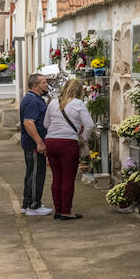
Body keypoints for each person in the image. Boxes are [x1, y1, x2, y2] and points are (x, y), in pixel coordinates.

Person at [43, 77, 95, 220]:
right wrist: (83, 138)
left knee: (56, 178)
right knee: (68, 178)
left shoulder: (53, 102)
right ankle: (66, 211)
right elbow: (90, 125)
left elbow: (46, 124)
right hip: (68, 143)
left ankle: (58, 210)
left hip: (51, 141)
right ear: (79, 91)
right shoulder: (78, 103)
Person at [19, 73, 51, 216]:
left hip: (33, 143)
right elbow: (28, 123)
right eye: (43, 82)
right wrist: (39, 142)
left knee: (32, 173)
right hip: (34, 145)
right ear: (36, 86)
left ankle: (27, 204)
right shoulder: (32, 100)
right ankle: (33, 206)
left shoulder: (35, 99)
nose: (46, 85)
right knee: (36, 175)